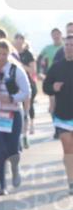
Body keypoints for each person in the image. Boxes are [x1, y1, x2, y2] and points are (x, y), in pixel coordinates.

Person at [0, 39, 31, 196]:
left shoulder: (16, 69)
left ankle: (15, 168)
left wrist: (12, 98)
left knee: (12, 150)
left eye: (4, 54)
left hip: (13, 113)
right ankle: (2, 185)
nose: (1, 57)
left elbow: (26, 92)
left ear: (9, 53)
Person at [41, 32, 73, 195]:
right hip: (62, 116)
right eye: (67, 45)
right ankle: (71, 181)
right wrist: (53, 88)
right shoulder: (57, 66)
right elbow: (45, 86)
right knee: (68, 149)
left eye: (72, 45)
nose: (69, 48)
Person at [13, 33, 38, 142]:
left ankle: (25, 134)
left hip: (27, 83)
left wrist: (21, 66)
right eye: (16, 39)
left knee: (27, 108)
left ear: (23, 41)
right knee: (17, 109)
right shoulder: (11, 54)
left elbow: (33, 70)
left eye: (21, 39)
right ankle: (18, 133)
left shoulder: (28, 54)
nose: (18, 41)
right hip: (14, 84)